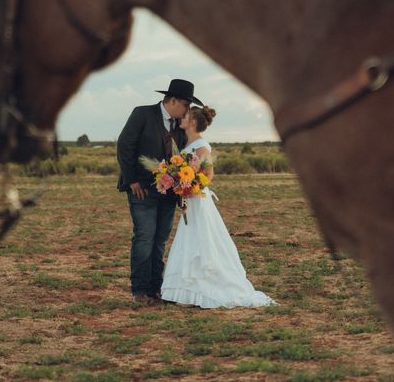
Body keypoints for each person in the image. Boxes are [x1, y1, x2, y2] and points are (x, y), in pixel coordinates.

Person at [161, 105, 277, 308]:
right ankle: (187, 291)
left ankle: (203, 289)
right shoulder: (186, 142)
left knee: (201, 239)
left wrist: (191, 186)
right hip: (190, 199)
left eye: (186, 116)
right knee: (190, 239)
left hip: (198, 198)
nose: (182, 118)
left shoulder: (201, 145)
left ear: (193, 122)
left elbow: (209, 175)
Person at [117, 79, 204, 306]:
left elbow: (183, 159)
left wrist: (183, 190)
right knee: (145, 237)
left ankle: (157, 290)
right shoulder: (142, 114)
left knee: (159, 241)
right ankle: (140, 291)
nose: (187, 111)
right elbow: (125, 146)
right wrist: (132, 180)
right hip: (142, 190)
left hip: (169, 193)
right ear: (173, 100)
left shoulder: (179, 127)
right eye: (186, 105)